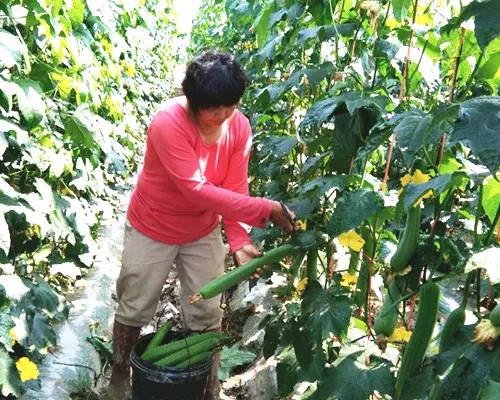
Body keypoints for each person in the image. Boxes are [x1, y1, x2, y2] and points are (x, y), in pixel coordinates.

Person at [106, 51, 296, 400]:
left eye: (230, 107)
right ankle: (119, 374)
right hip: (153, 225)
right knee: (135, 304)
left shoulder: (239, 127)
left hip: (201, 229)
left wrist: (238, 238)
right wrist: (265, 209)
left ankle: (209, 386)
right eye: (213, 110)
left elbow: (234, 188)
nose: (223, 116)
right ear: (191, 101)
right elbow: (196, 189)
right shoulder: (168, 123)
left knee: (207, 312)